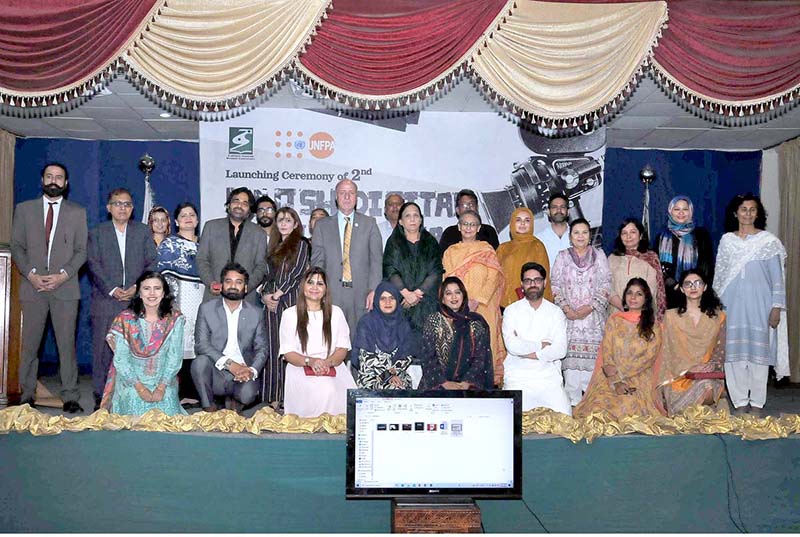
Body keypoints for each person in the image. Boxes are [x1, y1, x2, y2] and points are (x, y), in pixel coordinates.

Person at [10, 162, 87, 413]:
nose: (54, 181)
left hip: (65, 288)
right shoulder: (24, 210)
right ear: (42, 180)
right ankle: (26, 394)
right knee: (30, 344)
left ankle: (71, 396)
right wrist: (31, 275)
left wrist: (62, 276)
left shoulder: (77, 212)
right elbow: (17, 247)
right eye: (49, 176)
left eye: (59, 177)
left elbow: (81, 251)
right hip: (33, 287)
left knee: (66, 345)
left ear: (66, 183)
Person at [713, 193, 788, 416]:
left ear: (758, 213)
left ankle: (756, 402)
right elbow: (720, 276)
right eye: (743, 209)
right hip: (731, 306)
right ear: (735, 213)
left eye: (752, 209)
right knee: (733, 355)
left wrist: (776, 308)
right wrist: (716, 306)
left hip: (760, 307)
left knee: (758, 356)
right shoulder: (727, 241)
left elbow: (777, 279)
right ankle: (739, 401)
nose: (747, 213)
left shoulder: (768, 242)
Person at [88, 187, 158, 410]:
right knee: (103, 351)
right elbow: (92, 263)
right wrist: (111, 289)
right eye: (118, 204)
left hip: (136, 301)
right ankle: (101, 397)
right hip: (105, 300)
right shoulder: (97, 232)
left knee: (137, 351)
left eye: (127, 204)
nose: (122, 208)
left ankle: (132, 398)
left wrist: (137, 287)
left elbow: (152, 262)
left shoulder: (143, 231)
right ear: (109, 208)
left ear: (133, 208)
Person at [574, 278, 663, 420]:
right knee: (596, 408)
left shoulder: (653, 325)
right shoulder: (614, 320)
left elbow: (649, 358)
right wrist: (615, 381)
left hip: (638, 378)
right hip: (610, 378)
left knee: (627, 405)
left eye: (639, 294)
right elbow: (607, 354)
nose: (633, 297)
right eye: (630, 293)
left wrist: (622, 377)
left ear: (646, 299)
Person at [100, 271, 186, 416]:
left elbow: (175, 356)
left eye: (157, 288)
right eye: (146, 288)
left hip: (163, 380)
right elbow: (121, 360)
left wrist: (161, 387)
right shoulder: (125, 319)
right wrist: (140, 388)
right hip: (132, 380)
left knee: (166, 414)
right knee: (134, 404)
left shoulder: (174, 319)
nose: (152, 293)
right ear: (139, 292)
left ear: (164, 292)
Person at [279, 266, 357, 417]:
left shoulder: (336, 313)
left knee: (353, 403)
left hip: (333, 366)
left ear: (326, 289)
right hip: (300, 367)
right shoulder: (289, 314)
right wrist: (311, 361)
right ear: (303, 287)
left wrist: (326, 363)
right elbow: (288, 353)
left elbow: (342, 349)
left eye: (320, 284)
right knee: (327, 390)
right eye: (310, 282)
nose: (315, 287)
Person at [550, 218, 612, 406]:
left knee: (592, 372)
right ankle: (572, 411)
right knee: (571, 376)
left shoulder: (599, 255)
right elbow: (555, 284)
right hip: (570, 321)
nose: (580, 236)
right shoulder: (562, 256)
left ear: (590, 235)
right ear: (570, 237)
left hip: (593, 320)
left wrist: (590, 306)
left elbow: (606, 283)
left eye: (584, 232)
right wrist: (567, 308)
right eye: (576, 232)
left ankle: (591, 409)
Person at [310, 179, 382, 338]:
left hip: (362, 294)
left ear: (357, 197)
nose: (347, 197)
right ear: (336, 197)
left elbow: (376, 260)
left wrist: (374, 290)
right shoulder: (322, 225)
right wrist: (320, 290)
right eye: (343, 193)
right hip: (331, 293)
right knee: (331, 342)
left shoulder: (369, 223)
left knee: (361, 344)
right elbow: (317, 262)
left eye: (351, 193)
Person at [192, 263, 267, 413]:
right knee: (199, 362)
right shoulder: (206, 309)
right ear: (222, 285)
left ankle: (234, 401)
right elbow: (201, 344)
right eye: (228, 281)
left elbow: (262, 349)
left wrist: (251, 370)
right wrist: (229, 364)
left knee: (247, 395)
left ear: (245, 288)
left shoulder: (256, 313)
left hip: (243, 372)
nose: (233, 285)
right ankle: (210, 407)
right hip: (216, 370)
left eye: (238, 282)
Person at [442, 210, 506, 385]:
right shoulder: (450, 252)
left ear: (478, 228)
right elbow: (447, 280)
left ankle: (487, 389)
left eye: (472, 224)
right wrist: (459, 303)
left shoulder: (487, 250)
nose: (468, 227)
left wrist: (477, 300)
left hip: (483, 308)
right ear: (459, 226)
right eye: (465, 224)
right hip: (457, 310)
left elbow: (493, 277)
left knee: (485, 349)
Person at [502, 262, 571, 415]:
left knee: (565, 418)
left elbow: (560, 350)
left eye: (537, 280)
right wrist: (542, 345)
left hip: (548, 378)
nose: (532, 284)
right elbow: (512, 346)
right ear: (522, 284)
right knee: (511, 422)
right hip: (518, 377)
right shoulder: (511, 311)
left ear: (545, 282)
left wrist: (528, 352)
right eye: (528, 281)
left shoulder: (556, 312)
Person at [656, 269, 727, 416]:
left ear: (705, 287)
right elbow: (665, 352)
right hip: (677, 377)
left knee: (707, 388)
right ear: (682, 289)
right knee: (698, 401)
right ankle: (699, 411)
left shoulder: (718, 317)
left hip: (706, 375)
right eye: (688, 284)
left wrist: (712, 364)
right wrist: (688, 369)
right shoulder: (670, 317)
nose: (693, 287)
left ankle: (698, 411)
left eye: (697, 283)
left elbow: (721, 349)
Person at [260, 206, 310, 408]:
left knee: (291, 349)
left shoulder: (301, 244)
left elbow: (297, 273)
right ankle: (273, 398)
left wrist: (278, 294)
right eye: (280, 219)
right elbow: (266, 275)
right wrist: (265, 296)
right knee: (273, 349)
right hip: (271, 304)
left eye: (288, 220)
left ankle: (292, 397)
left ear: (296, 224)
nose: (283, 223)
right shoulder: (273, 245)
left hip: (290, 301)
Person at [156, 202, 204, 406]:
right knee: (181, 343)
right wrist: (173, 304)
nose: (188, 218)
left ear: (197, 219)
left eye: (191, 214)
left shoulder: (204, 244)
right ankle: (182, 391)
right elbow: (166, 276)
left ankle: (198, 390)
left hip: (203, 295)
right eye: (183, 215)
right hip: (181, 296)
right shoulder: (170, 244)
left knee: (199, 342)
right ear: (176, 221)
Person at [382, 201, 443, 341]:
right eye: (408, 216)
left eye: (416, 215)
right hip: (400, 303)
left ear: (421, 219)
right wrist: (405, 293)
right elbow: (389, 269)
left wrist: (417, 293)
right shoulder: (393, 242)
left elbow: (436, 271)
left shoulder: (431, 242)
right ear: (401, 221)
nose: (412, 219)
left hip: (426, 303)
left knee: (426, 348)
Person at [418, 276, 493, 390]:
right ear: (442, 299)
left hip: (468, 387)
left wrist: (466, 382)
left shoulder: (476, 323)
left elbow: (480, 358)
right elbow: (428, 357)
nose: (453, 297)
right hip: (437, 385)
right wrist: (444, 383)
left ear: (463, 296)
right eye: (448, 293)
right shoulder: (433, 320)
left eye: (457, 292)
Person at [196, 187, 268, 304]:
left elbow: (261, 266)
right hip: (214, 296)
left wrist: (246, 287)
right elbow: (201, 259)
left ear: (249, 210)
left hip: (245, 299)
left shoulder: (259, 234)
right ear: (228, 205)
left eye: (245, 203)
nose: (239, 206)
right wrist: (210, 282)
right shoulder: (211, 227)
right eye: (236, 201)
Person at [654, 195, 714, 309]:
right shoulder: (662, 237)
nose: (681, 213)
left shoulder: (701, 235)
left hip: (696, 292)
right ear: (670, 212)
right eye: (677, 209)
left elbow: (707, 265)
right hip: (669, 294)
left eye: (685, 209)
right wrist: (675, 285)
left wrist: (691, 284)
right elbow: (657, 266)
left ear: (690, 211)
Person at [352, 282, 414, 389]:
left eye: (392, 298)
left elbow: (406, 356)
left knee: (402, 387)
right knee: (394, 388)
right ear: (376, 300)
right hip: (372, 376)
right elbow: (366, 361)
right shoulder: (367, 322)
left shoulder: (403, 324)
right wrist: (387, 376)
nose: (388, 302)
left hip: (397, 374)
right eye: (383, 298)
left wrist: (393, 373)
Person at [608, 218, 666, 321]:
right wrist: (622, 306)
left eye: (633, 232)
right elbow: (606, 286)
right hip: (616, 314)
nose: (628, 236)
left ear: (641, 235)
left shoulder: (650, 258)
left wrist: (634, 308)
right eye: (624, 233)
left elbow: (651, 290)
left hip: (643, 316)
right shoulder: (612, 258)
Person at [496, 207, 552, 308]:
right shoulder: (503, 248)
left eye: (527, 220)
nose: (522, 223)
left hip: (532, 302)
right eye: (518, 220)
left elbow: (544, 276)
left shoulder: (537, 245)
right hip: (505, 304)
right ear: (512, 223)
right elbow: (496, 276)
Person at [439, 189, 499, 253]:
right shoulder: (450, 233)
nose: (468, 208)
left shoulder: (488, 231)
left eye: (471, 204)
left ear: (477, 208)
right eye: (464, 205)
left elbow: (496, 257)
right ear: (457, 210)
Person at [535, 193, 571, 272]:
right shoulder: (539, 240)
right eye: (554, 207)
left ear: (568, 212)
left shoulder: (579, 237)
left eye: (562, 207)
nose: (559, 210)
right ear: (548, 211)